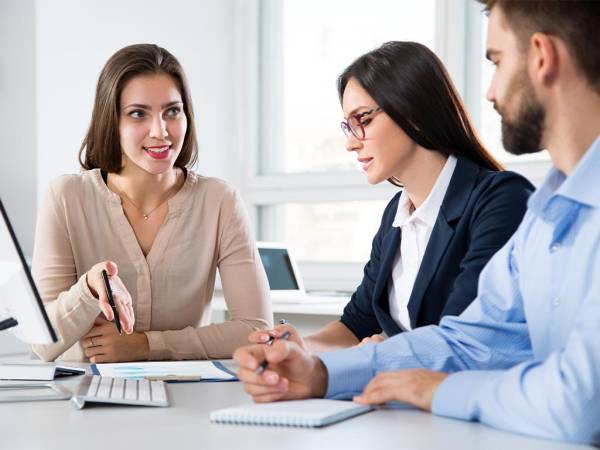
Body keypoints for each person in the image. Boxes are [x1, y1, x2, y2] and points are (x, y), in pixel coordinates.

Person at [234, 0, 600, 444]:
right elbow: (468, 340)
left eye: (497, 61)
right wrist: (318, 371)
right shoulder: (546, 215)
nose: (489, 93)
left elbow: (579, 401)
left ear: (542, 56)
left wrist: (442, 388)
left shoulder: (506, 200)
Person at [249, 42, 532, 353]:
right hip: (400, 397)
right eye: (348, 126)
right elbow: (356, 325)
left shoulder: (500, 200)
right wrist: (299, 347)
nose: (351, 144)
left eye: (364, 121)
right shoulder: (396, 216)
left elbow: (461, 336)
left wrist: (382, 349)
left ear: (413, 112)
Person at [31, 44, 272, 363]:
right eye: (138, 114)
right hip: (83, 397)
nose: (161, 132)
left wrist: (148, 345)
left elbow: (255, 330)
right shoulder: (66, 197)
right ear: (111, 121)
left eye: (172, 111)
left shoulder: (220, 201)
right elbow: (42, 343)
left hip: (186, 398)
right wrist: (88, 289)